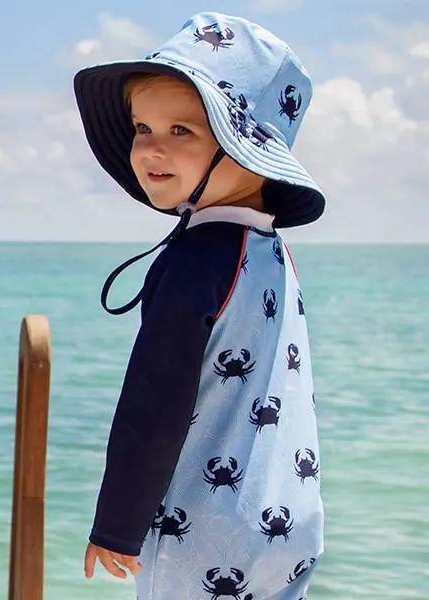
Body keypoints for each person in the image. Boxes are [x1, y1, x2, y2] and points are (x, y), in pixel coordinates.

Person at [74, 11, 326, 599]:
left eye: (181, 130)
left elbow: (155, 400)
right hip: (288, 512)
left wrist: (117, 526)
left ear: (248, 152)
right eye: (142, 127)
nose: (150, 148)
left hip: (205, 529)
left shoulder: (193, 261)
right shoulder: (271, 251)